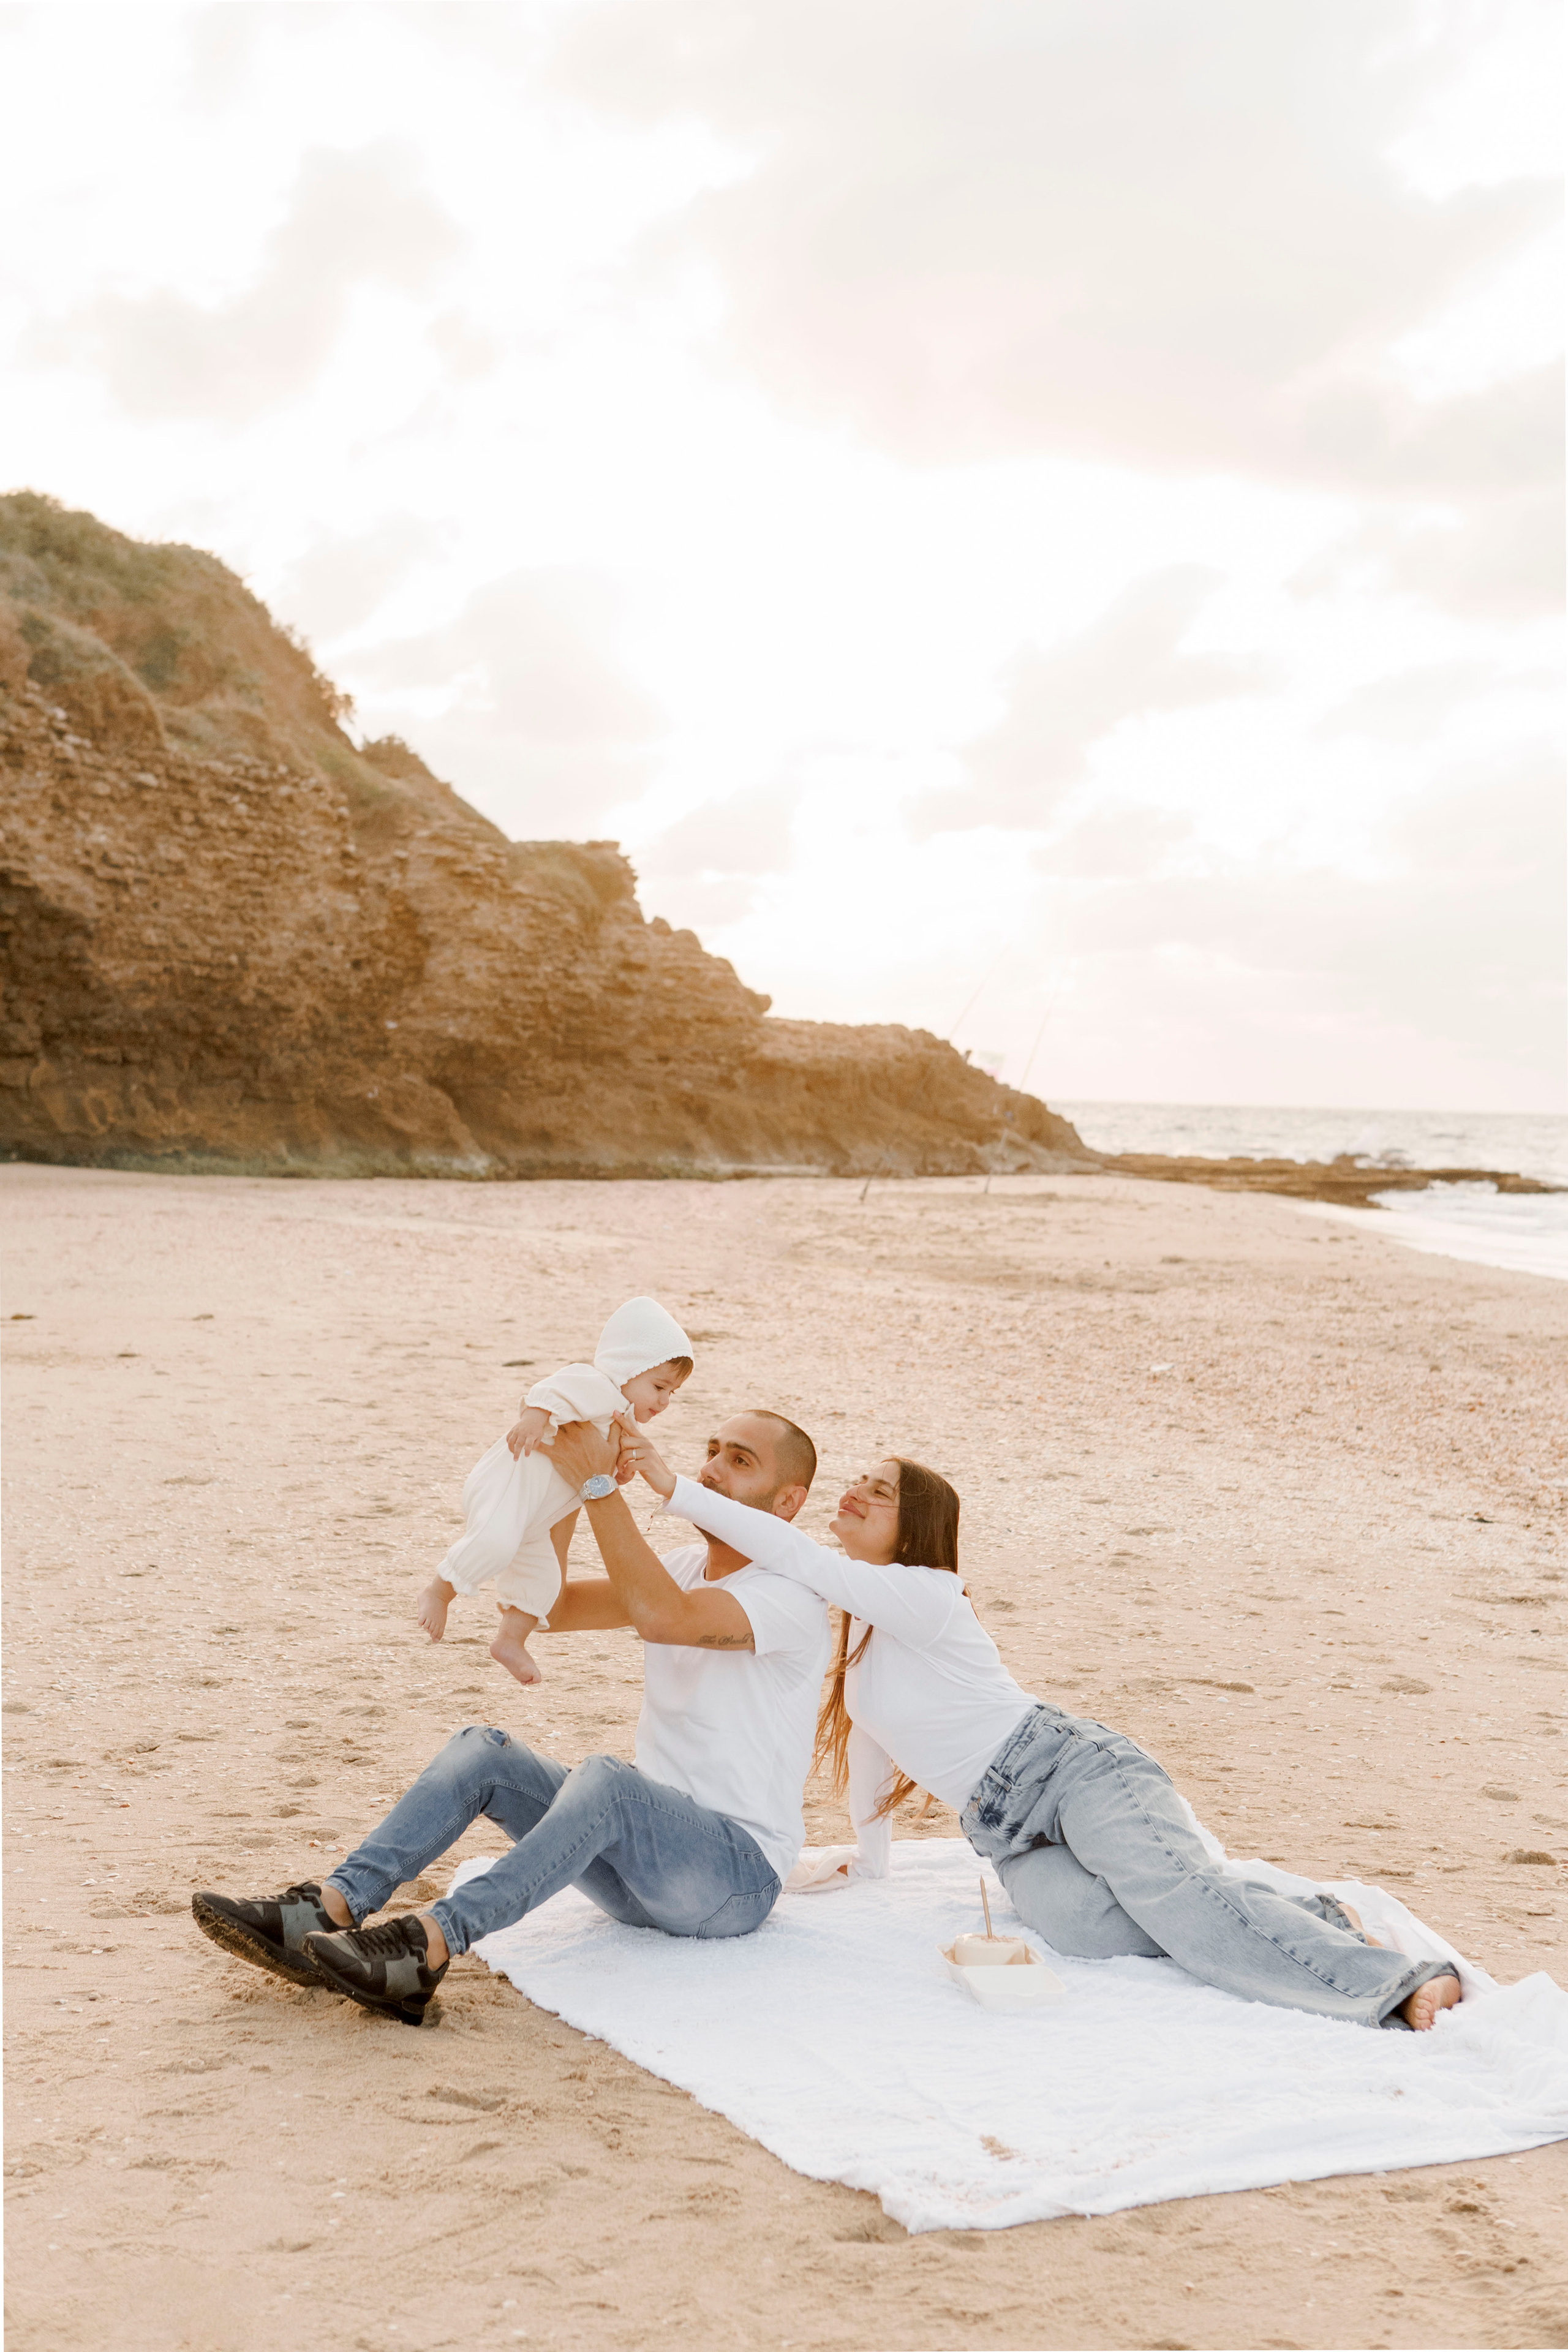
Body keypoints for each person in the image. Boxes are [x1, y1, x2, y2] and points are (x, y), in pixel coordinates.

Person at [622, 1430, 1464, 2033]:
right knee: (1096, 1931)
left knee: (1172, 1896)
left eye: (885, 1492)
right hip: (1007, 1836)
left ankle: (1396, 1983)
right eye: (863, 1479)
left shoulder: (927, 1592)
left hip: (1075, 1772)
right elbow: (873, 1756)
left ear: (912, 1530)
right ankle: (1311, 1911)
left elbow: (803, 1560)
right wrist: (861, 1863)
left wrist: (672, 1488)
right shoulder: (864, 1631)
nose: (862, 1493)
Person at [192, 1409, 831, 2026]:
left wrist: (598, 1484)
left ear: (787, 1503)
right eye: (712, 1450)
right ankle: (327, 1909)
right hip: (644, 1873)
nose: (712, 1469)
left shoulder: (789, 1598)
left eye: (740, 1461)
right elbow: (548, 1606)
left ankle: (430, 1946)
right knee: (483, 1751)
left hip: (732, 1882)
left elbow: (668, 1618)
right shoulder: (684, 1569)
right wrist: (561, 1488)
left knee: (607, 1779)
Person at [416, 1295, 693, 1686]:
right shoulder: (597, 1385)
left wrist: (622, 1471)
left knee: (543, 1577)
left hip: (540, 1516)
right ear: (626, 1368)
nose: (664, 1401)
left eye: (672, 1393)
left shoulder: (621, 1418)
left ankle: (510, 1639)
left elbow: (604, 1469)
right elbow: (552, 1391)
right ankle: (439, 1592)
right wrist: (535, 1417)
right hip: (509, 1487)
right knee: (495, 1543)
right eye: (659, 1386)